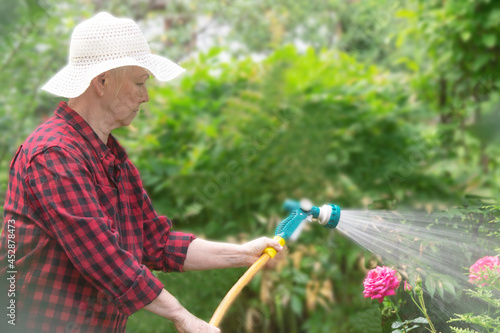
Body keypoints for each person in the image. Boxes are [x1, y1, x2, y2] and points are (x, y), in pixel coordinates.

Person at [0, 12, 282, 333]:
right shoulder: (54, 154)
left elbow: (154, 241)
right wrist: (182, 315)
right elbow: (103, 258)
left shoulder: (112, 158)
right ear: (102, 82)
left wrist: (241, 254)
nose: (145, 96)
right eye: (139, 81)